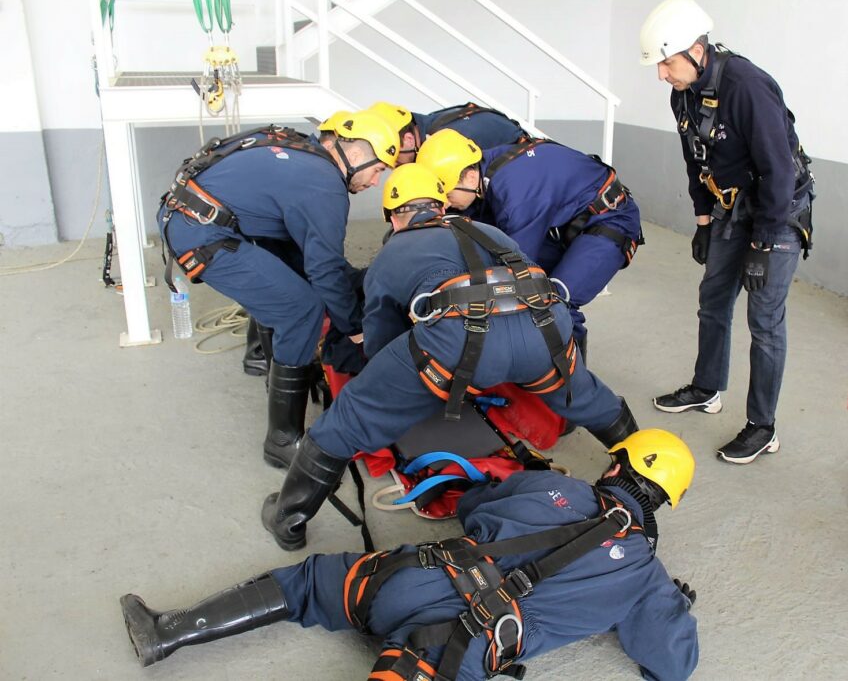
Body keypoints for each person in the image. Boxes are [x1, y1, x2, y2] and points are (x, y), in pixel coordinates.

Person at [261, 164, 639, 551]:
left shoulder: (394, 252)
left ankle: (288, 519)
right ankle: (644, 469)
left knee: (346, 421)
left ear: (392, 215)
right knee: (592, 400)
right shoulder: (489, 231)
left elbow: (379, 344)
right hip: (546, 327)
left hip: (458, 342)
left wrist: (400, 382)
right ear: (441, 205)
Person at [120, 429, 700, 680]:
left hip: (412, 578)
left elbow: (475, 511)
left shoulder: (562, 490)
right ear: (666, 504)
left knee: (310, 582)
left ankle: (168, 630)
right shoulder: (648, 581)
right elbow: (672, 666)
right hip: (465, 642)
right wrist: (673, 607)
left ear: (616, 465)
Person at [159, 111, 400, 469]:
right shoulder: (323, 185)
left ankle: (262, 358)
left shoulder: (304, 153)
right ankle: (282, 440)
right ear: (356, 154)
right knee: (300, 310)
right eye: (379, 169)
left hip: (194, 214)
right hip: (202, 234)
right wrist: (355, 330)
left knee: (291, 278)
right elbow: (325, 270)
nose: (376, 181)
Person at [641, 0, 814, 464]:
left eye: (667, 62)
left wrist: (762, 244)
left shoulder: (747, 86)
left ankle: (763, 427)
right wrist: (702, 221)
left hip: (777, 210)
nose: (662, 74)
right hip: (730, 209)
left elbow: (778, 171)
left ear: (697, 51)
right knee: (713, 299)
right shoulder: (684, 91)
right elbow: (694, 160)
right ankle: (707, 387)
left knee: (764, 319)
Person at [416, 129, 644, 355]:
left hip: (612, 221)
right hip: (569, 223)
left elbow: (513, 270)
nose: (445, 204)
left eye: (447, 194)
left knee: (554, 300)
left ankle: (574, 386)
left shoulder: (516, 196)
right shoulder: (482, 166)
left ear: (470, 177)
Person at [367, 100, 530, 164]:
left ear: (409, 140)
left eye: (396, 162)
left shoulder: (450, 140)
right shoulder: (430, 123)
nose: (396, 166)